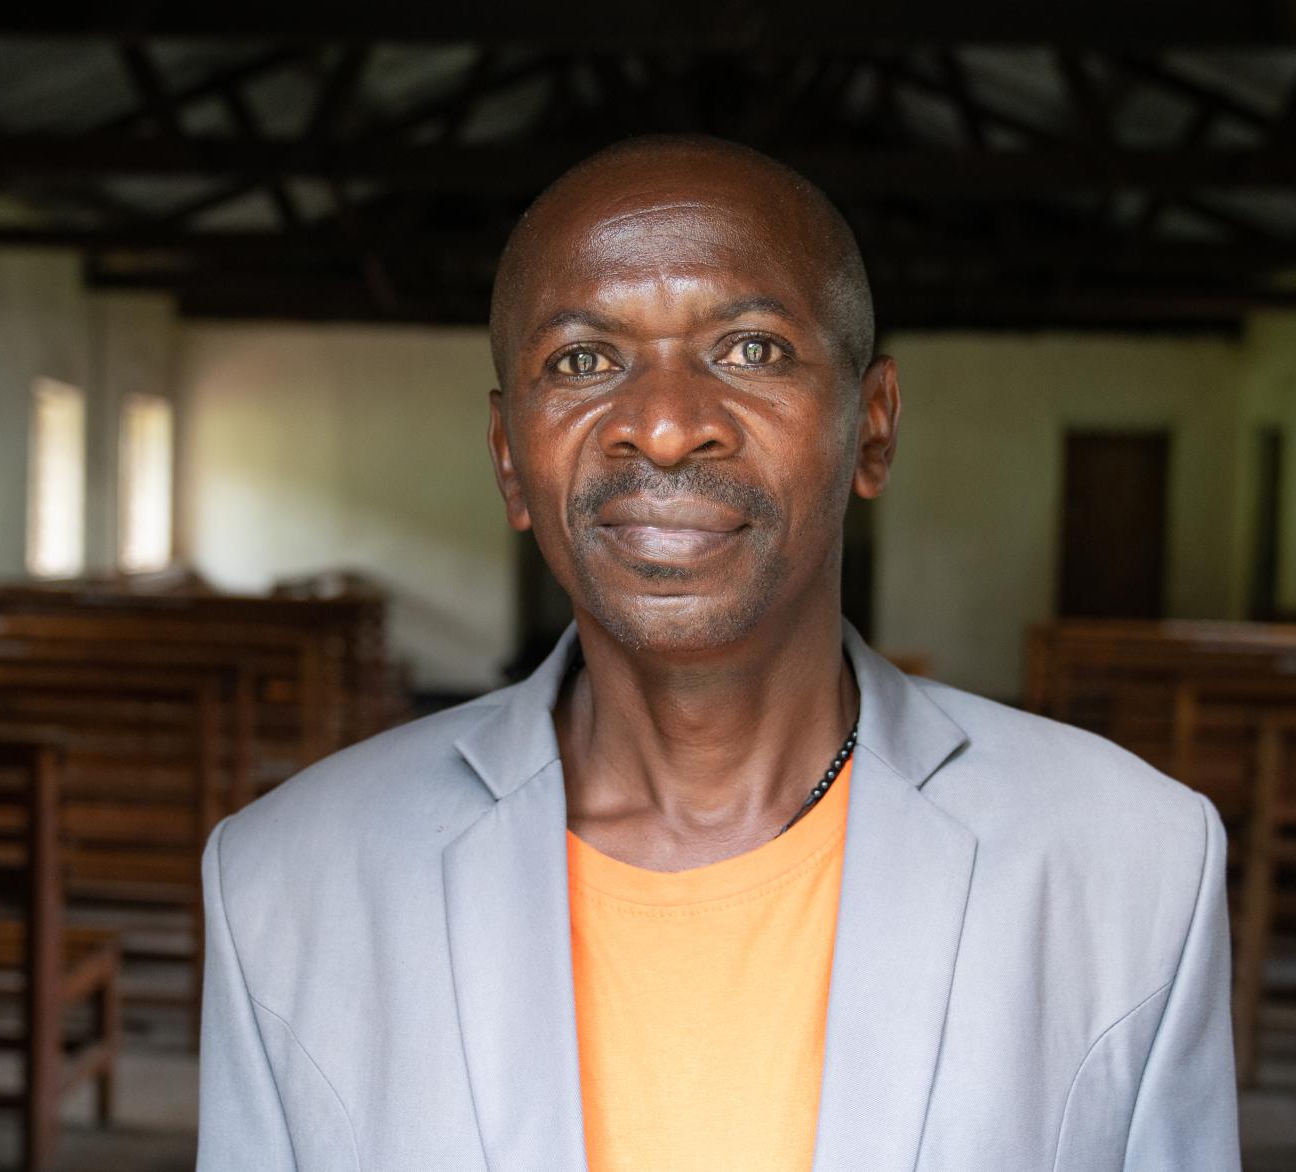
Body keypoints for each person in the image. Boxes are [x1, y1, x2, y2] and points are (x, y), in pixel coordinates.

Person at [196, 135, 1241, 1171]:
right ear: (510, 458)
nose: (662, 427)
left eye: (750, 349)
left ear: (873, 427)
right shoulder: (288, 882)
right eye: (582, 360)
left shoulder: (1128, 864)